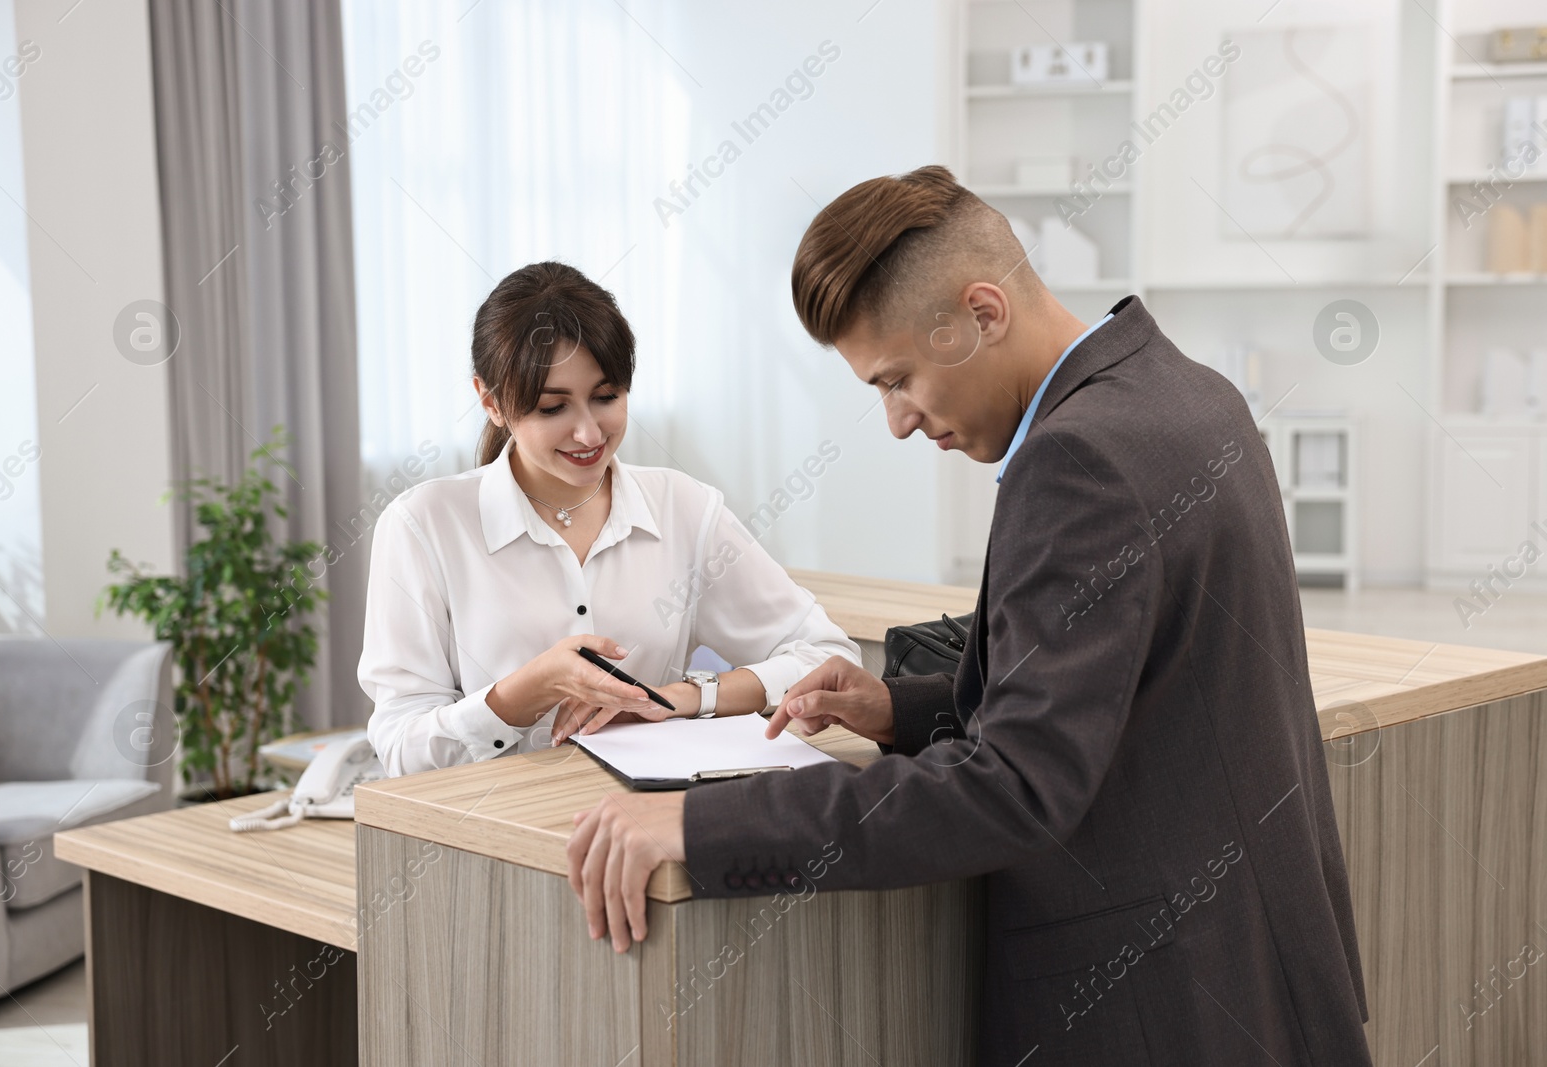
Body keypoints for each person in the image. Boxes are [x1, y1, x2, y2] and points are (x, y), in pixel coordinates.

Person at [566, 167, 1373, 1064]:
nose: (897, 422)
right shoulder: (1188, 392)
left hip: (1155, 1008)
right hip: (1263, 974)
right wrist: (901, 707)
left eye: (899, 378)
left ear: (984, 312)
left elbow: (1016, 790)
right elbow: (1140, 689)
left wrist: (696, 825)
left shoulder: (1077, 462)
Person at [359, 261, 860, 776]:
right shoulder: (423, 525)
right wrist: (525, 692)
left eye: (606, 398)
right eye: (553, 408)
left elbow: (826, 656)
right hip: (492, 837)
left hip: (654, 820)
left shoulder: (683, 506)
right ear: (490, 401)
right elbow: (401, 749)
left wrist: (679, 698)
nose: (589, 434)